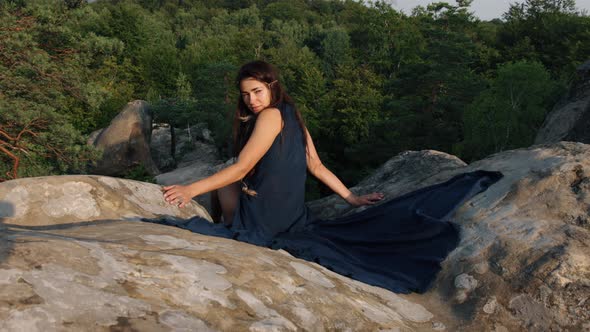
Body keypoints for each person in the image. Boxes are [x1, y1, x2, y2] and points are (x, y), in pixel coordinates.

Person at [158, 60, 502, 294]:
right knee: (232, 181)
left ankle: (237, 230)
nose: (251, 100)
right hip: (292, 215)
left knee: (229, 180)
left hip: (269, 219)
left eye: (257, 92)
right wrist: (351, 199)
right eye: (245, 95)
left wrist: (191, 188)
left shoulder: (270, 117)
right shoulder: (293, 114)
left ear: (272, 86)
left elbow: (243, 168)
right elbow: (317, 166)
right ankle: (239, 224)